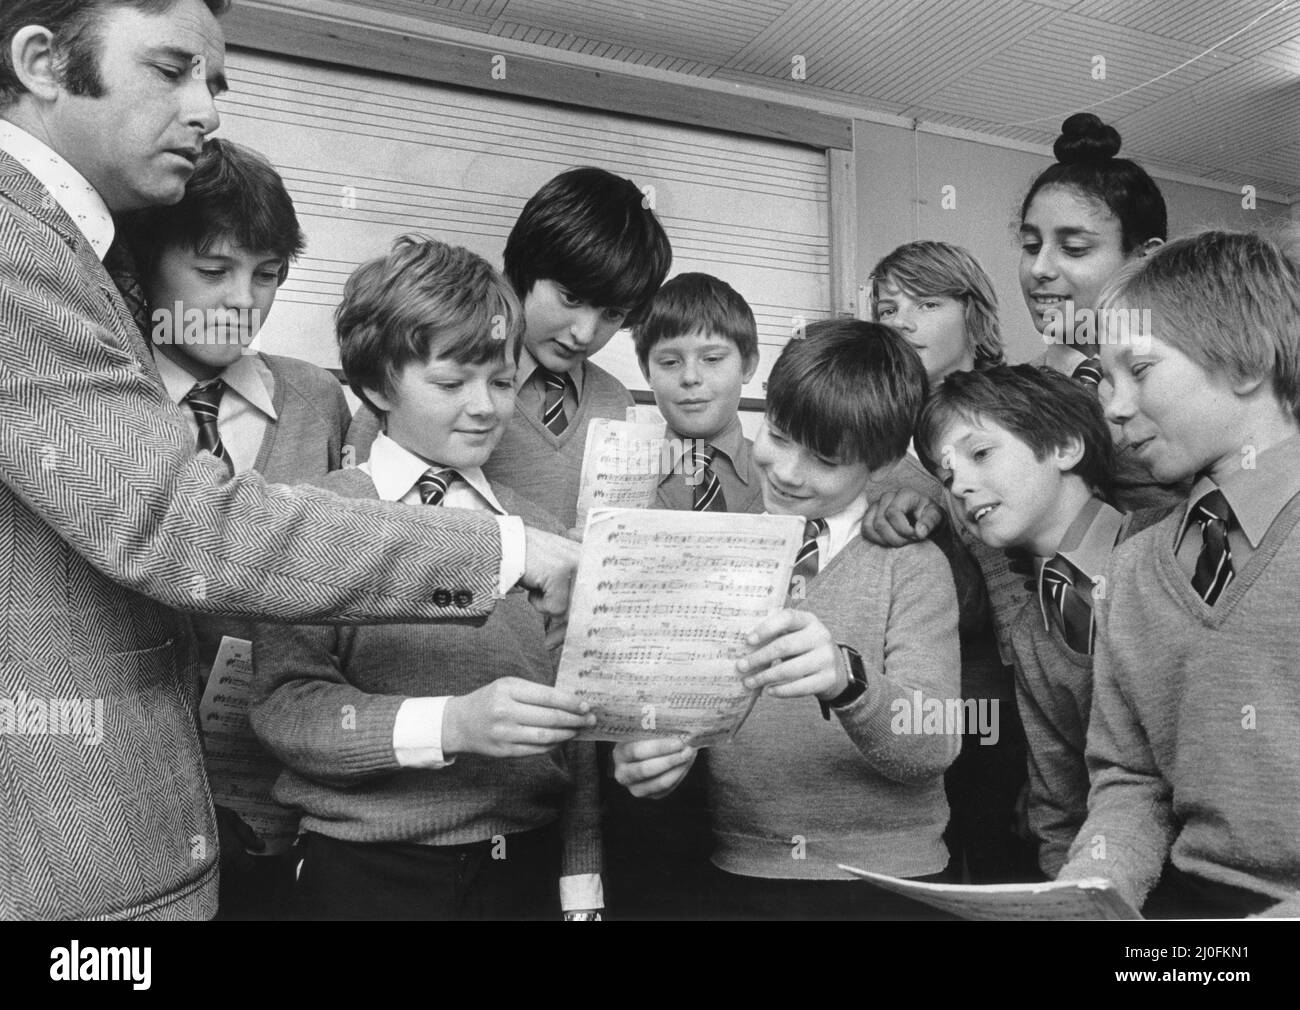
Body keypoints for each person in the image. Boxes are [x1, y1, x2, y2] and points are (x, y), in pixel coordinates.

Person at [0, 0, 577, 921]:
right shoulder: (19, 245)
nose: (207, 110)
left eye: (214, 81)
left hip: (196, 828)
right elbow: (183, 524)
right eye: (170, 68)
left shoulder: (88, 255)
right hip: (89, 846)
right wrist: (501, 554)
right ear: (41, 62)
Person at [251, 236, 601, 921]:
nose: (485, 407)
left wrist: (582, 882)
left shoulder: (544, 536)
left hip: (521, 870)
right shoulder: (314, 521)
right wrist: (454, 724)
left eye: (502, 382)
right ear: (378, 383)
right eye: (450, 383)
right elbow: (285, 709)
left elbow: (578, 728)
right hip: (362, 874)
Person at [612, 321, 961, 919]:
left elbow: (935, 744)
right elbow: (671, 709)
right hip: (741, 867)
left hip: (887, 881)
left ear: (881, 467)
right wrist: (648, 756)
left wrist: (847, 681)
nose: (788, 472)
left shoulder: (913, 567)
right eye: (777, 435)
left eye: (824, 458)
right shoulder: (716, 549)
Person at [1058, 231, 1300, 918]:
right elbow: (1131, 779)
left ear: (1247, 360)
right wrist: (1091, 888)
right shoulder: (1134, 568)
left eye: (1140, 370)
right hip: (1195, 911)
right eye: (1105, 377)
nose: (1113, 404)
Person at [916, 365, 1161, 877]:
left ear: (1066, 447)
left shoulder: (1174, 550)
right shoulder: (1031, 634)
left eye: (980, 453)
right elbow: (1060, 809)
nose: (960, 485)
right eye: (947, 475)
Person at [346, 166, 673, 530]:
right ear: (526, 267)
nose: (584, 333)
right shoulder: (415, 386)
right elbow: (359, 511)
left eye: (612, 314)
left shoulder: (615, 402)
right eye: (571, 297)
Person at [639, 272, 763, 514]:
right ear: (647, 373)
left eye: (712, 358)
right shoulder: (619, 474)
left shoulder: (783, 476)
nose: (690, 377)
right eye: (670, 362)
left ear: (747, 366)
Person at [870, 239, 1004, 386]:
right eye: (888, 311)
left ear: (976, 321)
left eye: (928, 305)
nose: (899, 322)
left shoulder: (1015, 406)